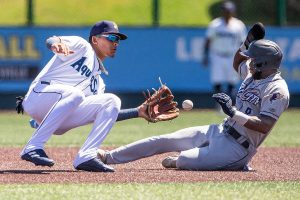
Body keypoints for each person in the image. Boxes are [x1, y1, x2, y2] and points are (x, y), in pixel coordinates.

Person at [97, 25, 290, 171]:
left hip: (238, 148)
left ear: (264, 63)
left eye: (254, 60)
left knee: (185, 160)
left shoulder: (277, 89)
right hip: (220, 130)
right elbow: (237, 61)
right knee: (164, 139)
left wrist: (233, 112)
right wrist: (247, 43)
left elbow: (264, 125)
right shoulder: (254, 75)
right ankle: (108, 156)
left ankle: (224, 163)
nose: (250, 62)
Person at [18, 20, 152, 172]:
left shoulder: (99, 82)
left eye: (118, 40)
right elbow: (52, 39)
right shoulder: (82, 46)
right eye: (112, 38)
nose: (116, 43)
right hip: (38, 96)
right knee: (76, 94)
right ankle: (33, 147)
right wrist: (55, 45)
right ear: (95, 39)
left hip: (59, 119)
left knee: (111, 101)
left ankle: (86, 156)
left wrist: (137, 112)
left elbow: (102, 114)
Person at [202, 1, 247, 102]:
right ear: (222, 11)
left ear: (233, 11)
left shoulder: (238, 25)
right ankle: (220, 104)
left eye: (229, 10)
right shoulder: (215, 24)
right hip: (218, 55)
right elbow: (208, 40)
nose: (227, 12)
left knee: (232, 81)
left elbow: (243, 43)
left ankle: (230, 104)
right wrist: (205, 55)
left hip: (232, 56)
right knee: (217, 81)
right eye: (225, 10)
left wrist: (243, 57)